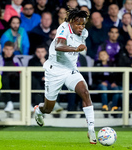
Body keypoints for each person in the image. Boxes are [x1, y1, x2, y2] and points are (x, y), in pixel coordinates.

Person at [34, 8, 97, 144]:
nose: (81, 27)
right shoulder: (63, 28)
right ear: (71, 22)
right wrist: (76, 49)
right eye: (78, 24)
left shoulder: (84, 33)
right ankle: (39, 110)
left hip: (70, 70)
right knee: (48, 108)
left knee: (85, 92)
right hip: (55, 71)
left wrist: (78, 49)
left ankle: (91, 129)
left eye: (83, 24)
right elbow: (58, 45)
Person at [0, 41, 23, 112]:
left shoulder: (17, 60)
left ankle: (28, 103)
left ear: (13, 50)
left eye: (10, 49)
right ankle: (9, 103)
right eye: (7, 49)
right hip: (4, 83)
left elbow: (22, 72)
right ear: (3, 49)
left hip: (15, 82)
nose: (8, 51)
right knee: (4, 78)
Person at [93, 50, 120, 118]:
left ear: (108, 56)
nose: (103, 56)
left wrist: (114, 82)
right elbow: (95, 76)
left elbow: (116, 75)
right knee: (103, 88)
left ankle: (114, 107)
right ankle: (105, 107)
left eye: (104, 54)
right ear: (99, 57)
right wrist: (101, 82)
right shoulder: (96, 64)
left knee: (116, 89)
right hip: (100, 84)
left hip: (110, 84)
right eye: (101, 55)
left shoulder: (112, 64)